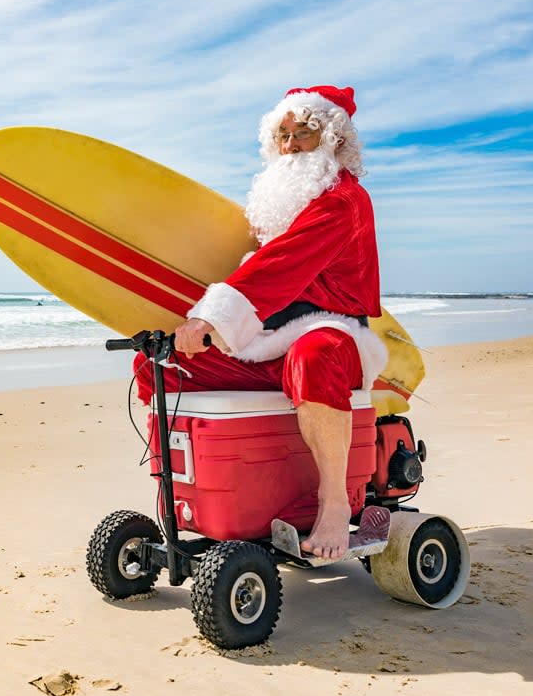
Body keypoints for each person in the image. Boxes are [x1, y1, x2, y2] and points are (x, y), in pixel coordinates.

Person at [134, 85, 388, 562]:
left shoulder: (344, 201)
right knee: (159, 366)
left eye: (304, 134)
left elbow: (280, 268)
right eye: (283, 135)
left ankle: (333, 500)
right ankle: (186, 498)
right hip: (269, 345)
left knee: (316, 354)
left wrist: (209, 317)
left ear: (333, 139)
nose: (291, 145)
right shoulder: (281, 208)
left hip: (328, 335)